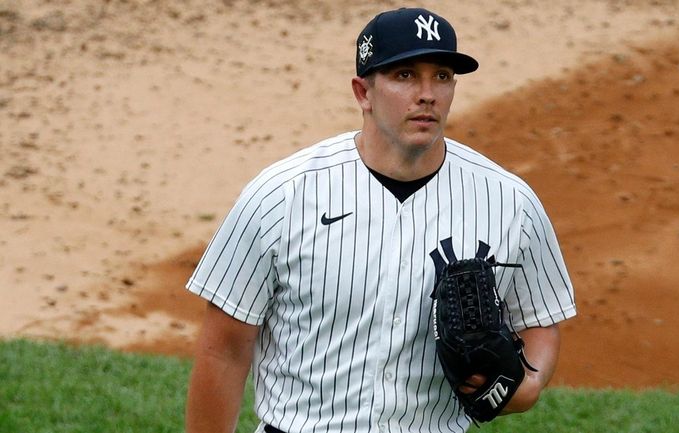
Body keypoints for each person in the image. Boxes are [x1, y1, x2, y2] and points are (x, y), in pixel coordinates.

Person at [185, 7, 576, 433]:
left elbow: (540, 319)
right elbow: (222, 351)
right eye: (405, 75)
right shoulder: (282, 194)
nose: (427, 94)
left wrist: (527, 385)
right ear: (363, 92)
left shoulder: (509, 201)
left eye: (442, 76)